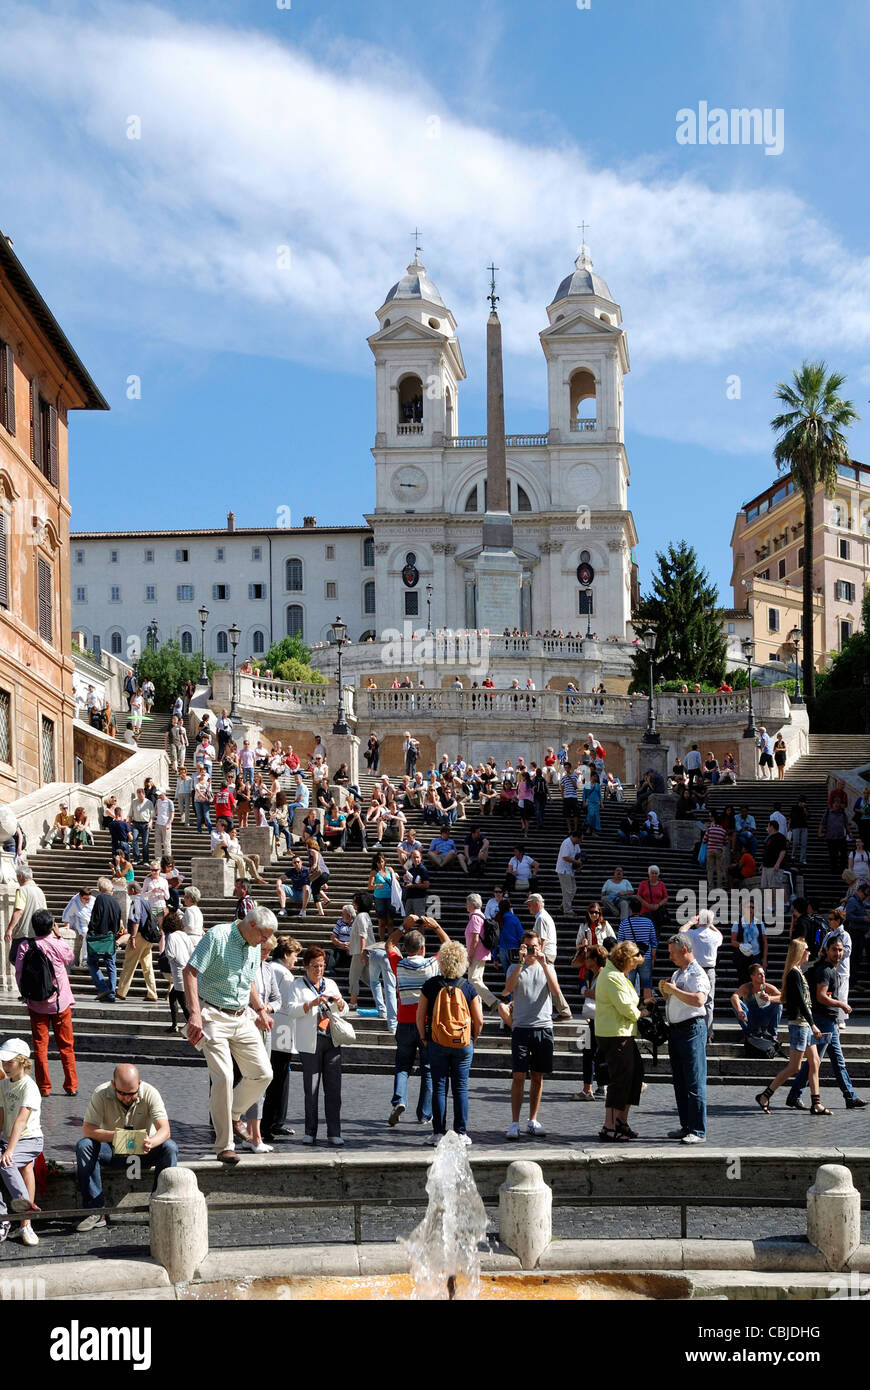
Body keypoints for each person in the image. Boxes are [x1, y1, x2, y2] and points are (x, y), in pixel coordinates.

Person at [183, 907, 277, 1164]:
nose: (265, 942)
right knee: (223, 1076)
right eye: (264, 936)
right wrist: (194, 1014)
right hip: (212, 1013)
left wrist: (260, 1009)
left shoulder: (255, 943)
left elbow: (249, 982)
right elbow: (189, 972)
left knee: (263, 1073)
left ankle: (234, 1114)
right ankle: (225, 1145)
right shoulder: (218, 936)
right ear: (253, 925)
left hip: (242, 1015)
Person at [74, 1064, 179, 1231]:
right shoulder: (101, 1093)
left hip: (144, 1151)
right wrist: (116, 1136)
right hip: (113, 1150)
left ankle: (159, 1206)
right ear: (113, 1084)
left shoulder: (150, 1093)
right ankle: (96, 1211)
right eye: (121, 1093)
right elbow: (87, 1129)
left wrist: (151, 1142)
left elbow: (165, 1130)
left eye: (132, 1093)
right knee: (84, 1146)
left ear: (139, 1084)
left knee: (170, 1147)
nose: (127, 1098)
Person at [784, 937, 865, 1111]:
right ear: (827, 950)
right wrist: (841, 1005)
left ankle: (849, 1096)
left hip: (828, 1020)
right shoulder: (825, 971)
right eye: (835, 949)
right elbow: (821, 996)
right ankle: (795, 1095)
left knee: (827, 1061)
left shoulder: (828, 969)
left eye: (841, 950)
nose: (838, 953)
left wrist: (835, 1019)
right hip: (822, 1020)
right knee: (817, 1061)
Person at [416, 940, 483, 1146]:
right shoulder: (468, 987)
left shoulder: (431, 985)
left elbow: (420, 1017)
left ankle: (438, 1133)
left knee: (439, 1086)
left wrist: (425, 1038)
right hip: (463, 1043)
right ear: (463, 962)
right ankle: (461, 1133)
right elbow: (479, 1019)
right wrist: (472, 1038)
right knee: (461, 1088)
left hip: (437, 1041)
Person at [756, 939, 831, 1117]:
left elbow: (785, 998)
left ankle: (816, 1104)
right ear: (799, 952)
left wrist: (770, 999)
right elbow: (799, 1002)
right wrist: (813, 1024)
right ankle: (765, 1095)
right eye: (806, 949)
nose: (809, 953)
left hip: (804, 1024)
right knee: (794, 1067)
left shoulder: (798, 973)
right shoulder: (794, 974)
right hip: (800, 1025)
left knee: (815, 1062)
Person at [386, 914, 449, 1126]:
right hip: (427, 1023)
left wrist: (403, 927)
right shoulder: (432, 964)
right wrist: (437, 927)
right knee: (428, 1069)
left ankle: (399, 1100)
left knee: (402, 1066)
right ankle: (424, 1114)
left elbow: (389, 943)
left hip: (404, 1022)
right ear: (422, 949)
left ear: (406, 949)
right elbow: (449, 947)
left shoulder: (400, 964)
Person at [285, 946, 349, 1146]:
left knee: (333, 1089)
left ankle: (334, 1131)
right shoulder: (298, 985)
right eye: (314, 966)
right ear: (306, 966)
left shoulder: (330, 983)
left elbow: (344, 1009)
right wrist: (311, 1004)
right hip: (310, 1043)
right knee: (311, 1090)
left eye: (321, 966)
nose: (319, 970)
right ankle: (310, 1131)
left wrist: (340, 1004)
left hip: (332, 1040)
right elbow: (290, 1010)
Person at [504, 933, 561, 1138]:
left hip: (543, 1027)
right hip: (521, 1027)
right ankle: (514, 1122)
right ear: (522, 946)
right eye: (527, 946)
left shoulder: (548, 967)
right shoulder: (514, 967)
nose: (531, 950)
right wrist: (520, 962)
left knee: (537, 1076)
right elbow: (507, 990)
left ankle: (533, 1119)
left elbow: (555, 992)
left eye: (534, 946)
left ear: (540, 947)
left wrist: (544, 964)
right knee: (518, 1075)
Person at [15, 910, 78, 1097]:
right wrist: (58, 935)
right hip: (59, 1002)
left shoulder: (25, 946)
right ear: (51, 926)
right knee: (66, 1045)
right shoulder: (56, 944)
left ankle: (44, 1087)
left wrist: (26, 995)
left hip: (36, 1003)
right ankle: (71, 1085)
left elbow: (19, 974)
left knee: (40, 1046)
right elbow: (70, 958)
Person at [660, 933, 710, 1144]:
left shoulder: (697, 972)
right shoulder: (678, 972)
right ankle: (686, 1125)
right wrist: (665, 992)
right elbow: (675, 997)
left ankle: (698, 1130)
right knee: (680, 1080)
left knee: (694, 1080)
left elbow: (699, 1000)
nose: (669, 956)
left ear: (684, 950)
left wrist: (674, 990)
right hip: (677, 1030)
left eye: (672, 952)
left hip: (692, 1030)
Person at [593, 941, 646, 1141]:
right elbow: (626, 1007)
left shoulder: (617, 975)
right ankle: (609, 1126)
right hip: (615, 1035)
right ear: (625, 960)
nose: (635, 967)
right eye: (634, 963)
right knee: (620, 1080)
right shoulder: (612, 977)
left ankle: (621, 1121)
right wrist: (640, 1013)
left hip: (622, 1032)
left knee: (634, 1076)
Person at [0, 1039, 43, 1247]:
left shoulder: (30, 1087)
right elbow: (1, 1116)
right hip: (8, 1138)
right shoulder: (3, 1085)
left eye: (9, 1063)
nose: (5, 1066)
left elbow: (21, 1120)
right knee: (14, 1164)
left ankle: (25, 1210)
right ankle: (3, 1218)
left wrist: (9, 1149)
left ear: (22, 1061)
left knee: (7, 1163)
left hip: (30, 1139)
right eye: (3, 1063)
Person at [261, 936, 302, 1143]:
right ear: (286, 954)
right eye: (295, 956)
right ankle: (270, 1123)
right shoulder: (285, 975)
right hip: (283, 1031)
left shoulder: (268, 967)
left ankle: (272, 1122)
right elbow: (289, 1005)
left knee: (275, 1077)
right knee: (278, 1079)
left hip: (271, 1029)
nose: (296, 960)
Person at [526, 893, 572, 1020]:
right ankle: (564, 1010)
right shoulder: (543, 916)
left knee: (547, 982)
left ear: (536, 904)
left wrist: (536, 955)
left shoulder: (541, 918)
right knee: (548, 982)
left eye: (530, 905)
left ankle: (564, 1010)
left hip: (545, 954)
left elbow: (541, 939)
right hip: (548, 953)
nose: (529, 908)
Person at [115, 881, 160, 1003]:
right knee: (147, 967)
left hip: (139, 936)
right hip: (148, 938)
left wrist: (133, 937)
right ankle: (152, 993)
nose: (128, 892)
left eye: (128, 889)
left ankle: (121, 992)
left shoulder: (136, 902)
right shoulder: (145, 901)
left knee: (129, 964)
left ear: (133, 891)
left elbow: (136, 921)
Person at [683, 909, 722, 1042]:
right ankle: (709, 1032)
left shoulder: (693, 934)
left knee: (693, 998)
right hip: (710, 970)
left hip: (696, 969)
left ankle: (694, 1029)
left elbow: (681, 932)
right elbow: (720, 934)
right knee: (709, 1001)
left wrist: (691, 922)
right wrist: (710, 924)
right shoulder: (715, 936)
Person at [5, 868, 47, 972]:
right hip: (38, 933)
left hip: (24, 933)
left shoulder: (22, 890)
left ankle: (28, 978)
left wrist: (10, 929)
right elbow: (45, 912)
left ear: (21, 877)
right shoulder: (40, 891)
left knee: (14, 957)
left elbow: (19, 911)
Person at [730, 964, 782, 1043]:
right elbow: (734, 996)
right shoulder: (747, 987)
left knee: (778, 1004)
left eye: (763, 974)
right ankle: (748, 1033)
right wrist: (740, 1010)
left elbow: (782, 998)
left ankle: (772, 1034)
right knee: (736, 1004)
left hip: (764, 1015)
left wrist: (770, 998)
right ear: (752, 976)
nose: (763, 976)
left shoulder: (767, 987)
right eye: (759, 974)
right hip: (750, 1016)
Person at [617, 899, 657, 1001]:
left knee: (629, 983)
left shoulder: (624, 923)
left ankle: (631, 1006)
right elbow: (654, 942)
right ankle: (647, 1009)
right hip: (645, 956)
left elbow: (620, 942)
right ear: (641, 909)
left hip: (629, 957)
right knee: (647, 984)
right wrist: (653, 957)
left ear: (630, 909)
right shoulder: (649, 922)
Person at [163, 912, 195, 1034]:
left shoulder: (171, 937)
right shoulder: (184, 935)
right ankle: (174, 1024)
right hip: (187, 970)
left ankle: (193, 1029)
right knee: (172, 997)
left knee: (183, 1004)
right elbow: (192, 952)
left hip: (178, 973)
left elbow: (170, 954)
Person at [731, 899, 768, 985]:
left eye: (752, 907)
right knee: (743, 979)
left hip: (756, 955)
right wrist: (742, 945)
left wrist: (765, 959)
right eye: (748, 907)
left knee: (757, 980)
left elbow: (765, 942)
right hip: (742, 955)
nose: (750, 909)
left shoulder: (759, 923)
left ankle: (755, 998)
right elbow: (733, 941)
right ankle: (744, 997)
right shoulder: (738, 922)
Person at [62, 887, 93, 967]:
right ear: (80, 896)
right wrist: (67, 925)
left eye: (88, 899)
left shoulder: (93, 900)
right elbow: (66, 913)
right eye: (84, 899)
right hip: (81, 924)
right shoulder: (74, 902)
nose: (87, 901)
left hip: (92, 923)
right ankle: (85, 959)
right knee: (87, 934)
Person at [555, 830, 584, 915]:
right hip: (563, 869)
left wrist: (579, 863)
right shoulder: (566, 843)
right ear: (576, 837)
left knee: (573, 889)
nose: (581, 841)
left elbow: (579, 855)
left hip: (570, 870)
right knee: (567, 890)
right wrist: (576, 862)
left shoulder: (576, 845)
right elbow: (565, 857)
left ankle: (564, 905)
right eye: (580, 839)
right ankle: (567, 909)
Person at [637, 866, 669, 931]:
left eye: (656, 873)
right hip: (645, 912)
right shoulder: (643, 884)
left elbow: (666, 897)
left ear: (658, 874)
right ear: (649, 874)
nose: (654, 875)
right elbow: (638, 896)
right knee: (644, 931)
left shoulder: (661, 884)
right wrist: (647, 904)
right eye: (652, 873)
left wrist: (658, 905)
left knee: (656, 932)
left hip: (657, 912)